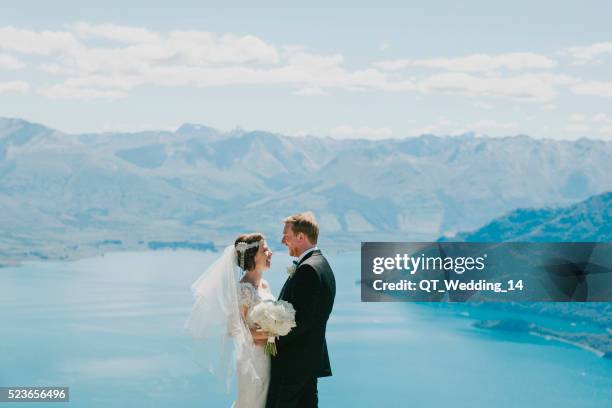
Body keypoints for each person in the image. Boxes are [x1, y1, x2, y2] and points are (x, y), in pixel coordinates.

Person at [185, 233, 274, 408]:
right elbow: (235, 330)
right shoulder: (242, 291)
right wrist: (273, 335)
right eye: (265, 250)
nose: (270, 253)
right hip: (253, 360)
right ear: (252, 257)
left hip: (269, 357)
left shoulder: (265, 285)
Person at [266, 212, 336, 408]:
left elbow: (303, 321)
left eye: (285, 235)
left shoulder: (308, 269)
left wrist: (271, 336)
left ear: (300, 237)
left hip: (293, 363)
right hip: (309, 361)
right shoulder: (321, 264)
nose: (282, 241)